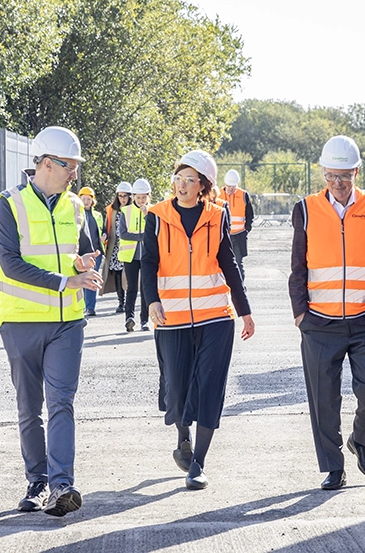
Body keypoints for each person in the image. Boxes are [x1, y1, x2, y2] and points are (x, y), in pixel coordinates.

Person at [0, 126, 102, 516]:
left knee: (61, 403)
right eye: (70, 166)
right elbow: (10, 263)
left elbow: (85, 251)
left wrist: (85, 265)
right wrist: (65, 280)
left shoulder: (76, 206)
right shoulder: (8, 204)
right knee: (28, 407)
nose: (75, 174)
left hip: (67, 321)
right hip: (21, 322)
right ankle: (36, 482)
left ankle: (61, 486)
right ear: (48, 164)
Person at [288, 135, 365, 491]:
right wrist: (300, 314)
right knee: (324, 399)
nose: (338, 183)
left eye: (345, 176)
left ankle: (361, 442)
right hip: (319, 323)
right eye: (331, 176)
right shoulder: (305, 209)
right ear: (322, 172)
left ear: (357, 171)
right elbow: (298, 266)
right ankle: (333, 467)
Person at [142, 149, 255, 490]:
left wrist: (245, 309)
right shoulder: (156, 215)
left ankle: (199, 463)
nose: (182, 185)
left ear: (204, 186)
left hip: (216, 318)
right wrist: (151, 301)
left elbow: (228, 262)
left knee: (209, 387)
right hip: (172, 318)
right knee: (176, 390)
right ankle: (182, 437)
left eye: (191, 180)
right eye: (179, 178)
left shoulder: (216, 215)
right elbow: (148, 262)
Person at [118, 178, 151, 332]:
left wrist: (146, 216)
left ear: (148, 197)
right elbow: (123, 234)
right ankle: (129, 318)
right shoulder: (125, 211)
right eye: (138, 197)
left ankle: (145, 320)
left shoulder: (152, 212)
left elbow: (155, 233)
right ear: (134, 197)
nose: (141, 200)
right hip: (130, 255)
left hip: (147, 255)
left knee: (145, 288)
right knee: (131, 288)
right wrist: (141, 236)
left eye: (144, 197)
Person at [100, 182, 132, 314]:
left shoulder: (133, 210)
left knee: (128, 274)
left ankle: (130, 301)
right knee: (118, 274)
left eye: (125, 196)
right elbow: (106, 226)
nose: (122, 199)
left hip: (129, 246)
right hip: (115, 246)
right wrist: (104, 235)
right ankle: (121, 302)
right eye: (120, 196)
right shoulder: (111, 210)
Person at [223, 169, 254, 280]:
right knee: (222, 263)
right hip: (223, 236)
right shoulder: (218, 195)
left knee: (238, 263)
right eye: (229, 186)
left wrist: (246, 229)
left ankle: (240, 287)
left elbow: (250, 214)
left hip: (239, 235)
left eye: (233, 186)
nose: (231, 189)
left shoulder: (243, 195)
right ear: (225, 184)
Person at [78, 186, 104, 317]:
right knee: (82, 279)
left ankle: (90, 307)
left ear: (92, 201)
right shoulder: (76, 214)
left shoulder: (98, 215)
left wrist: (104, 237)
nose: (86, 201)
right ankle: (82, 306)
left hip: (96, 252)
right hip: (82, 252)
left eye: (88, 199)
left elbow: (102, 230)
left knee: (92, 279)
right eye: (83, 199)